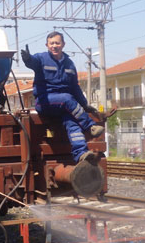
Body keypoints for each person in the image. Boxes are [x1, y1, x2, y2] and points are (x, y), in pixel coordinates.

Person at [21, 31, 104, 163]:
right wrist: (27, 59)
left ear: (63, 44)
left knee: (72, 122)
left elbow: (75, 87)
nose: (54, 46)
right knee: (66, 98)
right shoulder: (41, 58)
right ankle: (90, 127)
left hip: (64, 105)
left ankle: (81, 153)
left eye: (57, 43)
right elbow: (32, 62)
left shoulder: (69, 64)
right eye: (51, 43)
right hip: (45, 102)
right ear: (47, 45)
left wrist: (84, 104)